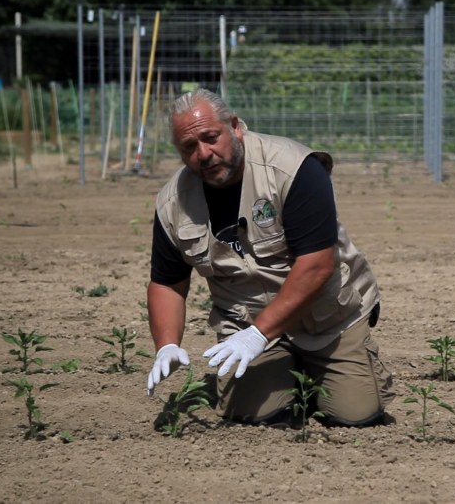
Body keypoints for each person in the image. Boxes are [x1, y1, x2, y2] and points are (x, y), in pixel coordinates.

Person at [145, 88, 394, 427]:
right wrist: (167, 345)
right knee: (259, 416)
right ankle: (284, 371)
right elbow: (167, 283)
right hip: (246, 322)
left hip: (327, 319)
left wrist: (259, 335)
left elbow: (317, 265)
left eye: (211, 138)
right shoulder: (173, 203)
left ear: (235, 127)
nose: (203, 154)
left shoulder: (292, 169)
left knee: (354, 416)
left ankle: (318, 369)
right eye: (189, 146)